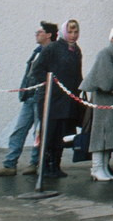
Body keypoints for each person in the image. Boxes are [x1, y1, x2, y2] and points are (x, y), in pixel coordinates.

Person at [0, 20, 58, 177]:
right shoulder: (37, 51)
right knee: (20, 129)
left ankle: (34, 163)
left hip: (41, 97)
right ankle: (9, 164)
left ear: (49, 35)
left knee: (38, 133)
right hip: (30, 96)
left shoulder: (53, 52)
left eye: (40, 32)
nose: (36, 34)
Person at [30, 19, 84, 179]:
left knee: (61, 134)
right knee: (49, 133)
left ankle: (56, 164)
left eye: (76, 32)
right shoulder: (53, 48)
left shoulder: (76, 50)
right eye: (71, 32)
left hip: (67, 99)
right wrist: (49, 85)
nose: (73, 36)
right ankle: (45, 165)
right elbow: (37, 69)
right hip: (51, 100)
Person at [80, 26, 113, 182]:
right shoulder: (106, 53)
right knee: (101, 133)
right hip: (105, 98)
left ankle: (104, 167)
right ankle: (96, 167)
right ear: (112, 38)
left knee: (111, 135)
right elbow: (106, 79)